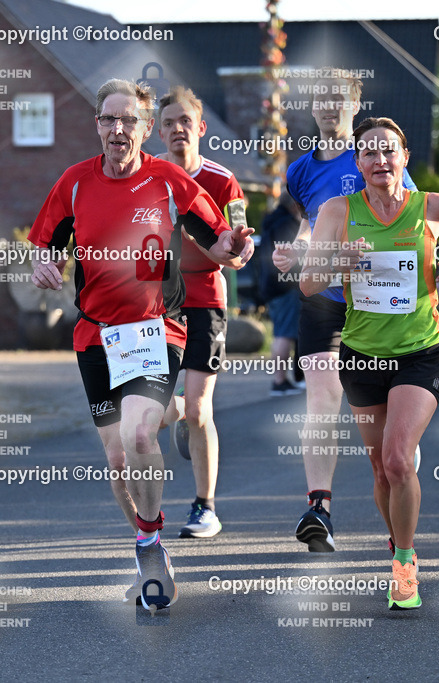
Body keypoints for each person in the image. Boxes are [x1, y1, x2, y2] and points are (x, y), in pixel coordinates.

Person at [28, 78, 253, 611]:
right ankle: (145, 542)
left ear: (145, 129)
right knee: (116, 460)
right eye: (109, 119)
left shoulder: (169, 180)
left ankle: (151, 539)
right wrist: (43, 261)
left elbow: (217, 235)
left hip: (155, 329)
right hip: (94, 335)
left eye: (129, 120)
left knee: (139, 434)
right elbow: (44, 241)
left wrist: (234, 246)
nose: (118, 129)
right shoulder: (75, 183)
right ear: (98, 126)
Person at [300, 117, 439, 610]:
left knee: (399, 459)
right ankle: (397, 539)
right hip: (362, 356)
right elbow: (309, 284)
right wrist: (342, 263)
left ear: (405, 158)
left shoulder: (434, 207)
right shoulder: (338, 211)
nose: (380, 160)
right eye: (370, 153)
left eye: (389, 151)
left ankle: (404, 563)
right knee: (381, 470)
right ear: (357, 163)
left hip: (421, 351)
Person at [272, 72, 417, 552]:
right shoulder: (299, 171)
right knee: (321, 396)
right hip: (323, 301)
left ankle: (400, 469)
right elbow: (309, 226)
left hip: (377, 303)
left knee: (386, 442)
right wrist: (294, 251)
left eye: (340, 99)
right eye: (322, 99)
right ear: (312, 108)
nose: (330, 106)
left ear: (355, 106)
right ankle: (320, 508)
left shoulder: (376, 157)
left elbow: (410, 215)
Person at [155, 85, 247, 539]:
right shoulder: (146, 181)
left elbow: (235, 248)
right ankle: (180, 415)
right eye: (168, 123)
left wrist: (234, 250)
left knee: (199, 408)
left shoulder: (222, 180)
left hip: (206, 301)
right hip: (155, 305)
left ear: (201, 128)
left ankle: (205, 507)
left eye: (184, 122)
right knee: (151, 412)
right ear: (158, 130)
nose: (177, 130)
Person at [259, 191, 304, 395]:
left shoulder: (273, 222)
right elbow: (291, 259)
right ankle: (279, 381)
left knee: (281, 332)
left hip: (272, 287)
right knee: (284, 334)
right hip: (285, 287)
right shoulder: (286, 226)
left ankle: (282, 380)